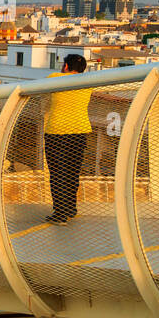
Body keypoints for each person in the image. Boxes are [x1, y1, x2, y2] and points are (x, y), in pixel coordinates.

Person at [43, 53, 93, 224]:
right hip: (79, 131)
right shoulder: (89, 82)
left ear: (65, 67)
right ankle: (71, 208)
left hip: (57, 131)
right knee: (72, 172)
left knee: (57, 173)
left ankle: (60, 213)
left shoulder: (55, 78)